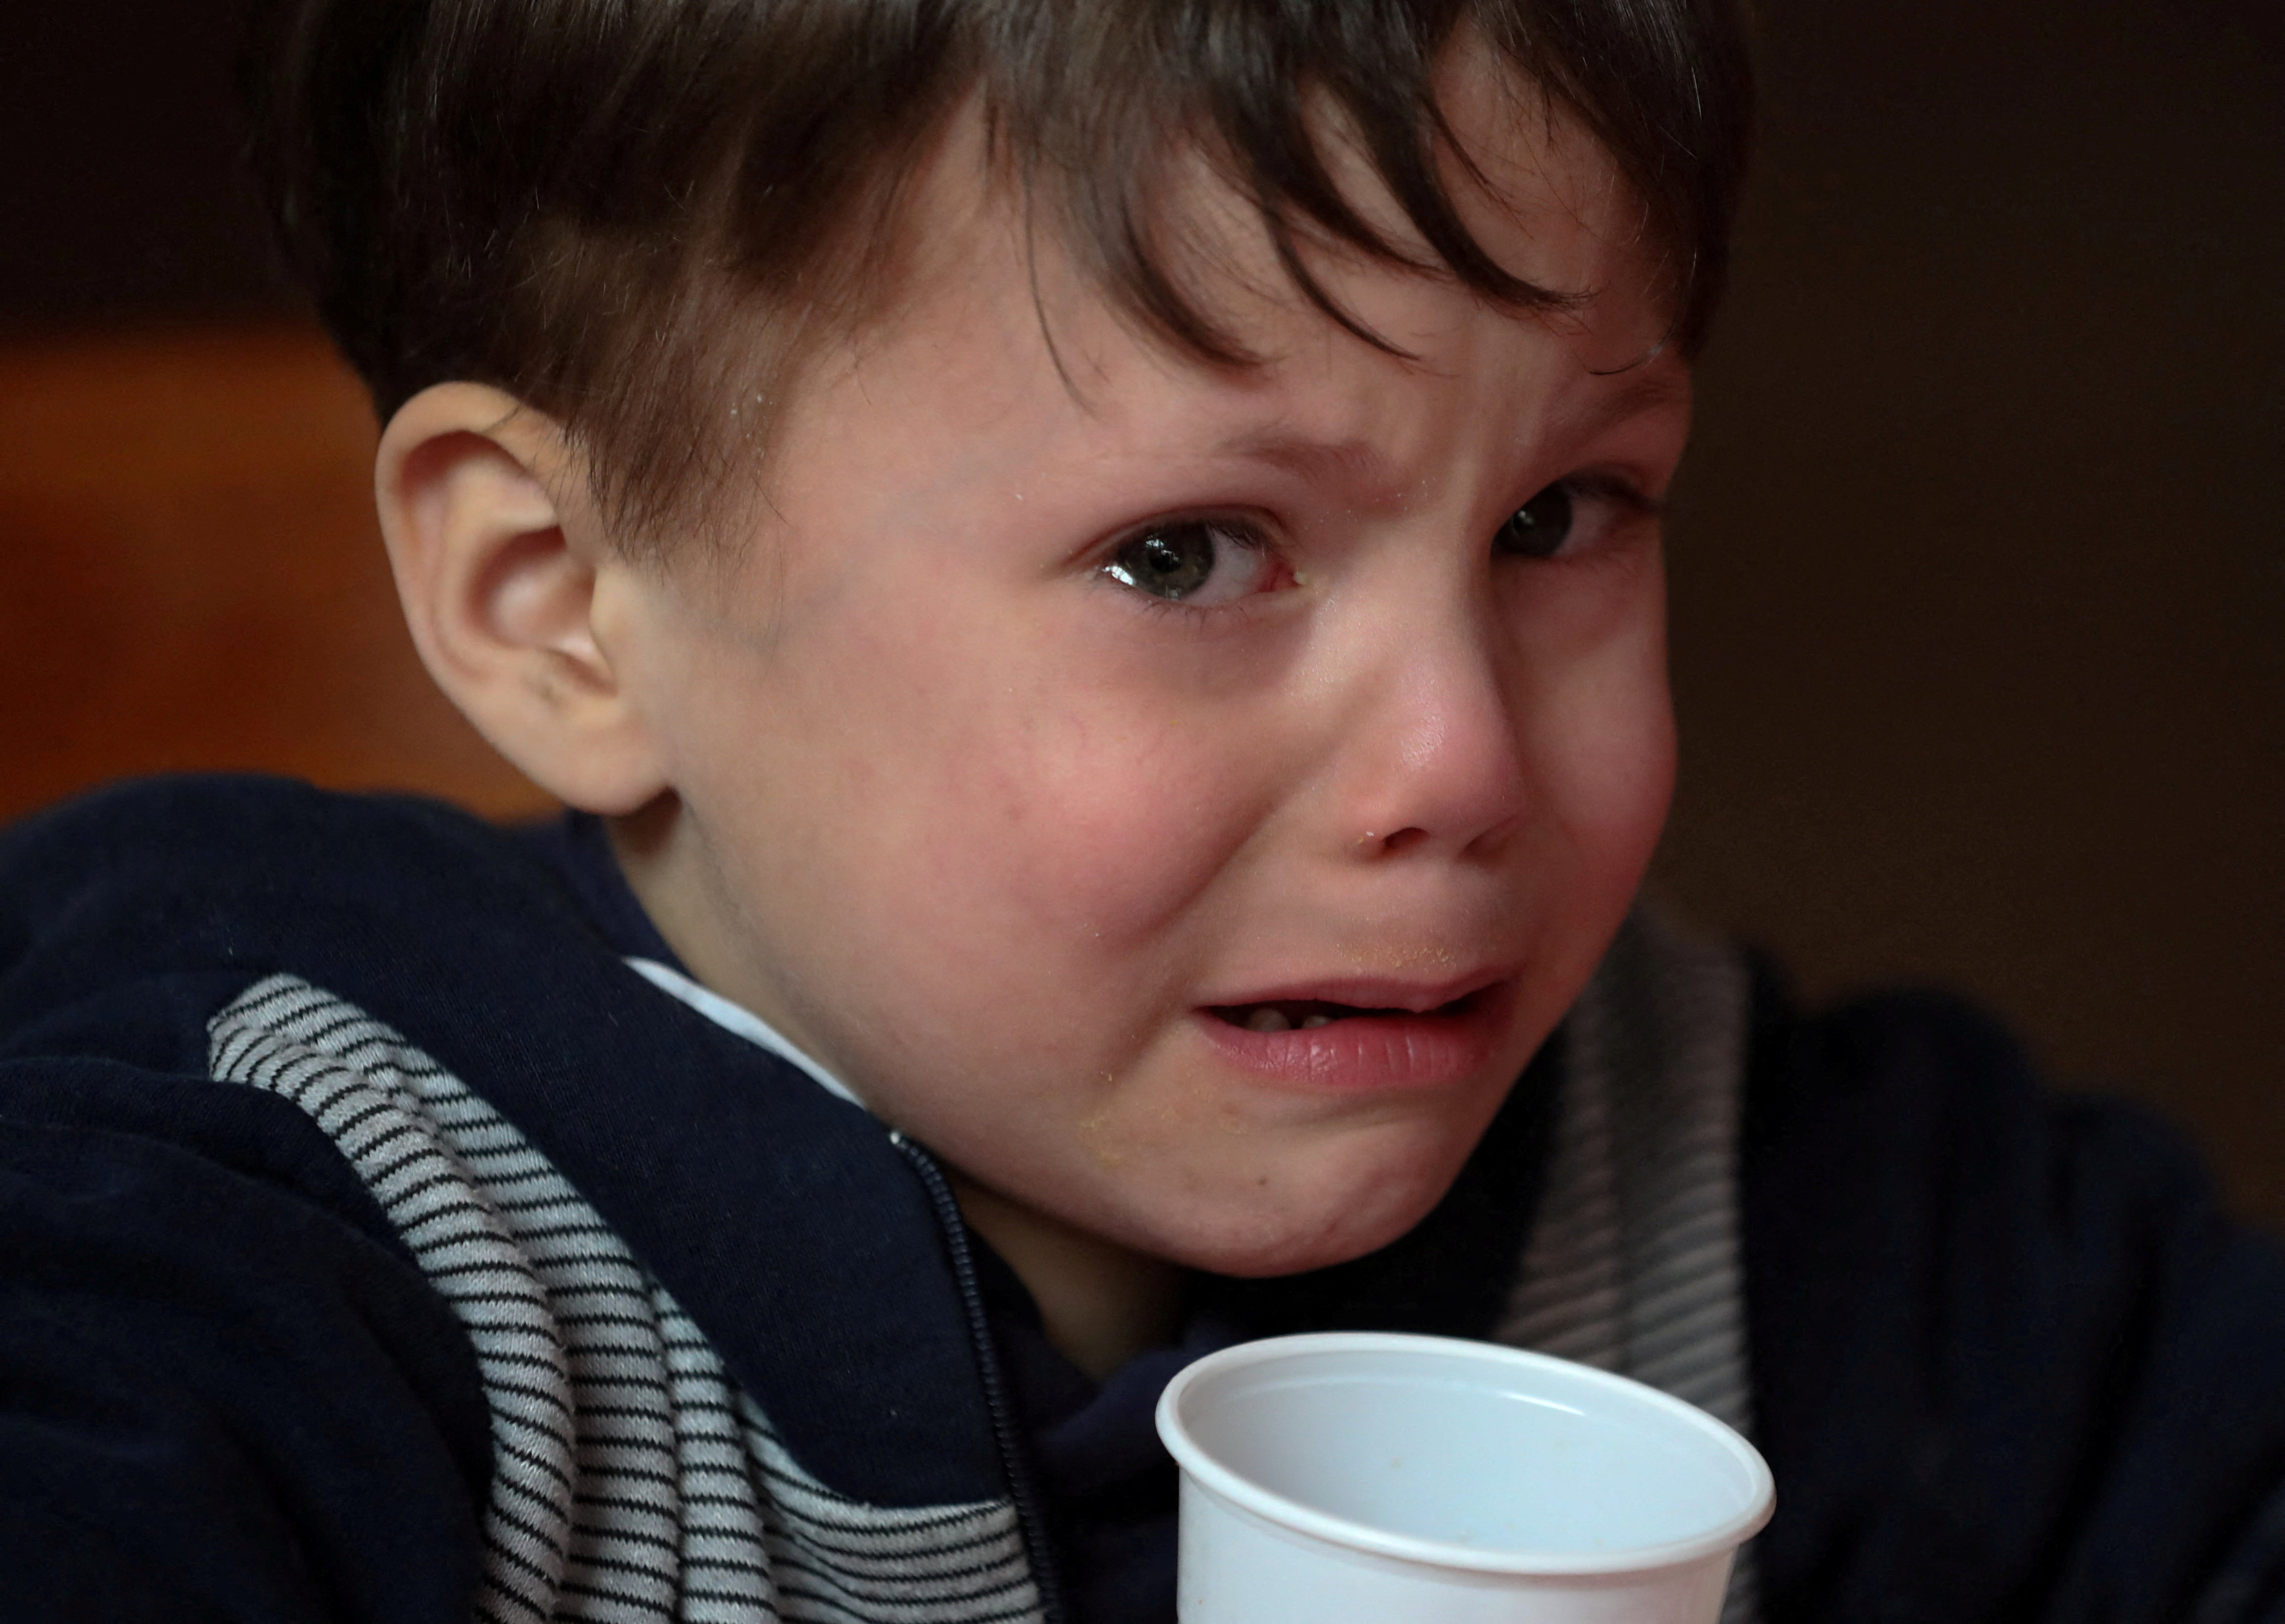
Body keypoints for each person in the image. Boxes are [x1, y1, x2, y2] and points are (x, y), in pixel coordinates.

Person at [2, 0, 2281, 1620]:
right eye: (1182, 555)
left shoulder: (1805, 1215)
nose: (1461, 766)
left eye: (1563, 513)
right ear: (567, 607)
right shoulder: (243, 1250)